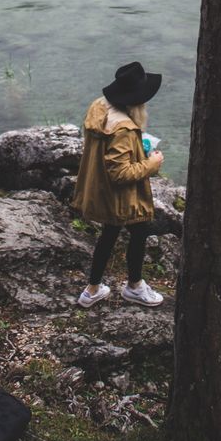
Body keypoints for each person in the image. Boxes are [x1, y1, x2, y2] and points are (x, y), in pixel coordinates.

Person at [72, 61, 166, 308]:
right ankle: (134, 286)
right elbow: (120, 173)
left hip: (99, 189)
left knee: (109, 234)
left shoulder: (100, 108)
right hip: (120, 196)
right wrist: (152, 164)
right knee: (140, 229)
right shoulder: (123, 128)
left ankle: (92, 289)